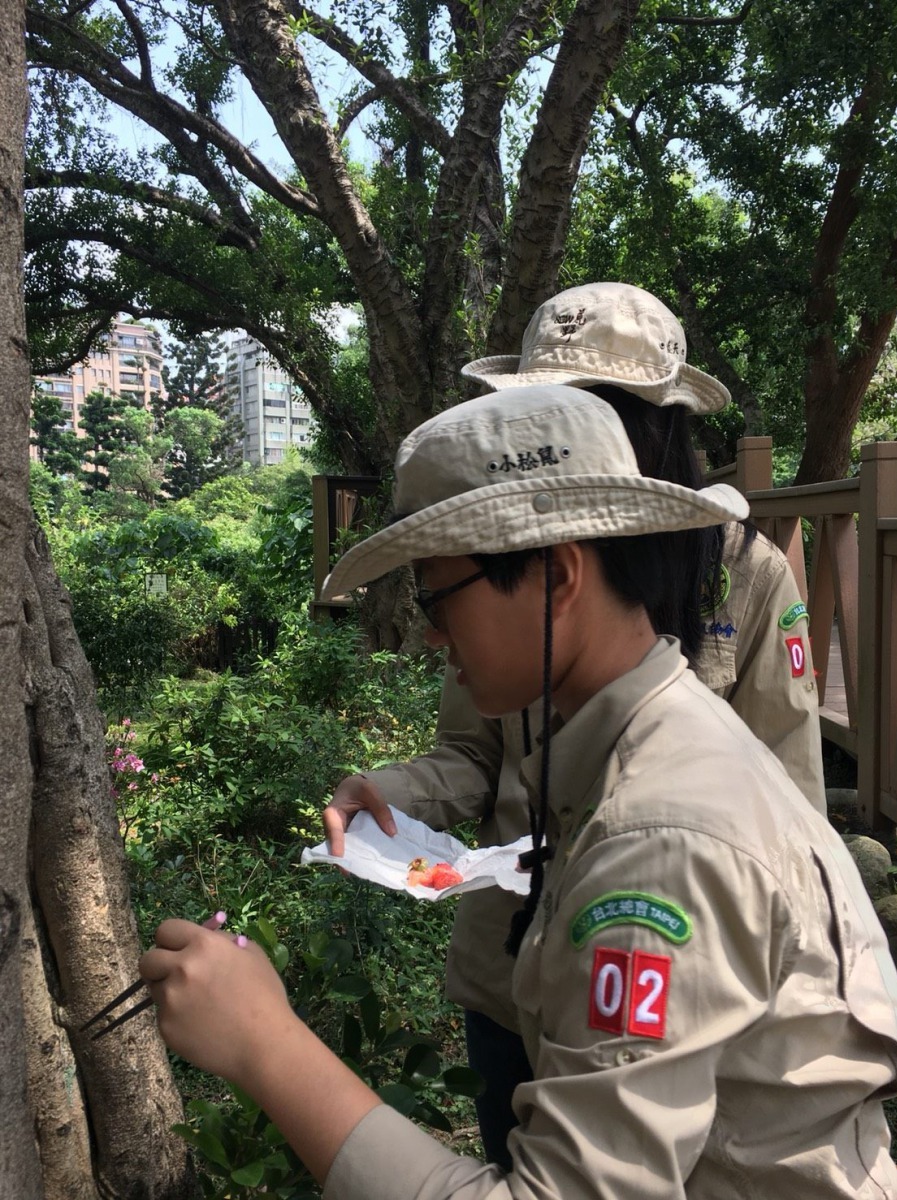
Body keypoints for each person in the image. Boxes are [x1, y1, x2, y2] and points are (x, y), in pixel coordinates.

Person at [143, 385, 897, 1200]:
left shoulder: (658, 842)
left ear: (556, 575)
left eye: (437, 597)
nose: (432, 634)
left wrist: (265, 1044)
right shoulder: (642, 746)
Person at [324, 282, 827, 1166]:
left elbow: (785, 802)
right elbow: (473, 754)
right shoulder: (509, 592)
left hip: (673, 987)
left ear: (657, 428)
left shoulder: (745, 580)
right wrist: (393, 794)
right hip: (514, 961)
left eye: (588, 409)